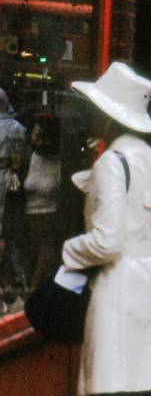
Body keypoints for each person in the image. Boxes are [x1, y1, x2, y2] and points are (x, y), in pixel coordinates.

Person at [60, 62, 151, 396]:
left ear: (108, 115)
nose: (90, 117)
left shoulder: (113, 163)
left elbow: (107, 242)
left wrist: (69, 251)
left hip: (122, 298)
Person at [24, 113, 65, 286]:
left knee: (45, 255)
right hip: (31, 215)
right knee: (33, 253)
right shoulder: (30, 158)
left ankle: (35, 286)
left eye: (37, 135)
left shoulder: (59, 161)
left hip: (50, 214)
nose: (35, 139)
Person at [0, 87, 28, 304]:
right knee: (11, 230)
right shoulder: (17, 128)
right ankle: (18, 277)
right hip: (10, 179)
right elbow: (22, 156)